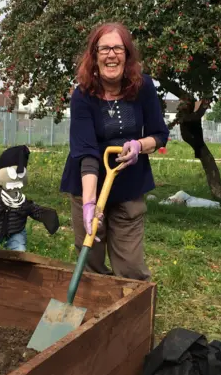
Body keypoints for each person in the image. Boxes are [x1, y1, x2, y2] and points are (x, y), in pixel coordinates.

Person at [60, 22, 169, 281]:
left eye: (118, 48)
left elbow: (159, 134)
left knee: (131, 267)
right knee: (92, 261)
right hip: (88, 183)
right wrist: (89, 204)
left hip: (130, 186)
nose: (111, 54)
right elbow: (86, 151)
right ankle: (95, 315)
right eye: (104, 48)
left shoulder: (143, 87)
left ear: (127, 54)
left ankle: (132, 315)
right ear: (94, 55)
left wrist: (138, 146)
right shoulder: (83, 95)